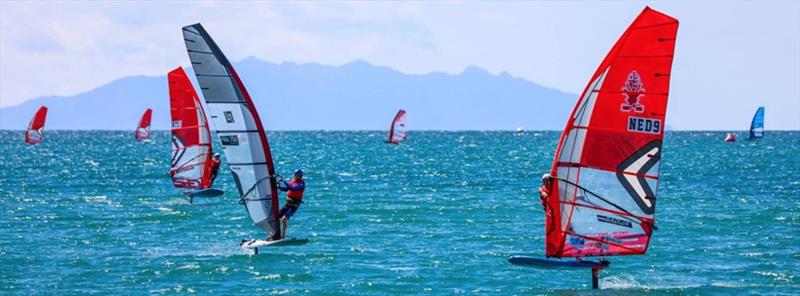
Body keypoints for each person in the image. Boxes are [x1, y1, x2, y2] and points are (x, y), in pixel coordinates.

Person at [277, 169, 305, 239]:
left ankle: (283, 236)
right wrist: (278, 187)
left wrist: (283, 181)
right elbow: (287, 189)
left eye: (297, 175)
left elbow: (293, 188)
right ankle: (275, 234)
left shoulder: (301, 184)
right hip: (288, 203)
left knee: (283, 219)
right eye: (295, 175)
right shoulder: (292, 181)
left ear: (300, 176)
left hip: (294, 205)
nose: (295, 176)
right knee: (276, 217)